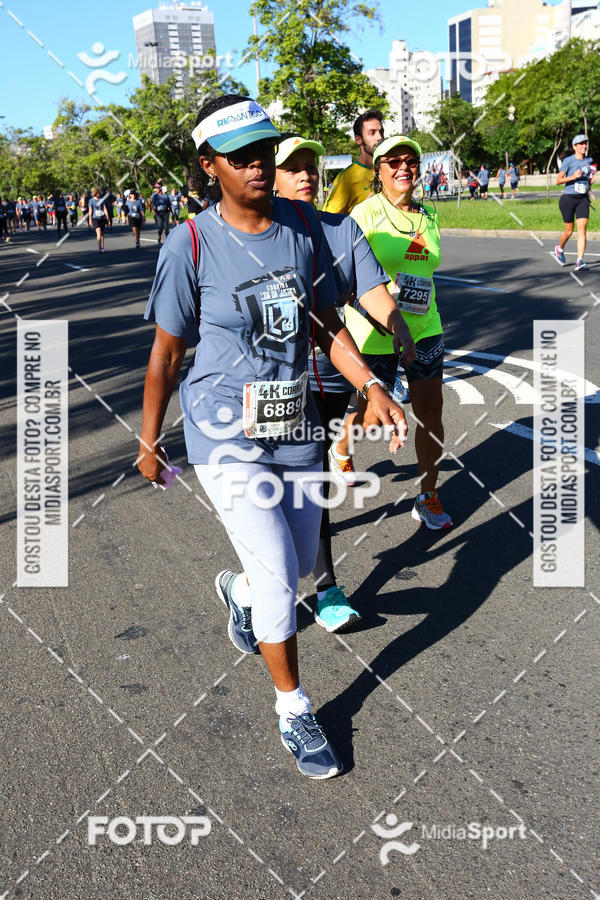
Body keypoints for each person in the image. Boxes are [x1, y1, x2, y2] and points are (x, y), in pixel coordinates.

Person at [138, 94, 407, 780]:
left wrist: (374, 386)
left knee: (287, 566)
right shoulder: (188, 243)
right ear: (208, 167)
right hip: (221, 424)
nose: (257, 165)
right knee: (279, 572)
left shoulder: (301, 230)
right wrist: (149, 440)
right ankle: (295, 707)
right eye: (240, 158)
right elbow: (167, 354)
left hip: (291, 422)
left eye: (264, 151)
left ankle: (240, 595)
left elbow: (324, 324)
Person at [274, 132, 416, 632]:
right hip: (278, 383)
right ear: (272, 177)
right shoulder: (260, 233)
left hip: (336, 375)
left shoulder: (342, 230)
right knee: (298, 485)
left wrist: (398, 327)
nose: (307, 175)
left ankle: (321, 587)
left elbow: (372, 290)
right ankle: (299, 583)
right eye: (293, 167)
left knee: (312, 483)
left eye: (312, 166)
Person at [336, 135, 453, 530]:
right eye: (394, 162)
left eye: (411, 161)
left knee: (431, 412)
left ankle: (428, 495)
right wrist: (374, 312)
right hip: (373, 333)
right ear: (378, 170)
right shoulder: (364, 214)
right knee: (371, 418)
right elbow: (346, 277)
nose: (404, 167)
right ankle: (342, 445)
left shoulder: (429, 215)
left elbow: (426, 267)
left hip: (425, 327)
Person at [323, 109, 384, 214]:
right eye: (372, 133)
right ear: (358, 139)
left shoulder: (390, 170)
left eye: (381, 132)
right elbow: (328, 221)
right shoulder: (346, 179)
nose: (379, 137)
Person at [554, 134, 596, 273]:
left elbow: (587, 178)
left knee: (582, 229)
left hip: (582, 199)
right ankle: (559, 248)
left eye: (585, 143)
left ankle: (579, 261)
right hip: (568, 199)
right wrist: (573, 176)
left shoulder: (589, 160)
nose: (584, 146)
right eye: (581, 144)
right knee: (569, 231)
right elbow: (558, 180)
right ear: (575, 147)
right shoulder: (568, 161)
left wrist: (590, 182)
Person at [88, 187, 108, 252]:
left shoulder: (102, 199)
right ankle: (99, 247)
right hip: (95, 218)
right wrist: (90, 219)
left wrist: (107, 216)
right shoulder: (91, 200)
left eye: (99, 192)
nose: (99, 193)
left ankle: (102, 247)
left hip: (102, 218)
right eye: (97, 192)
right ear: (94, 193)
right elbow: (90, 210)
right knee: (98, 231)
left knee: (102, 233)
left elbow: (104, 208)